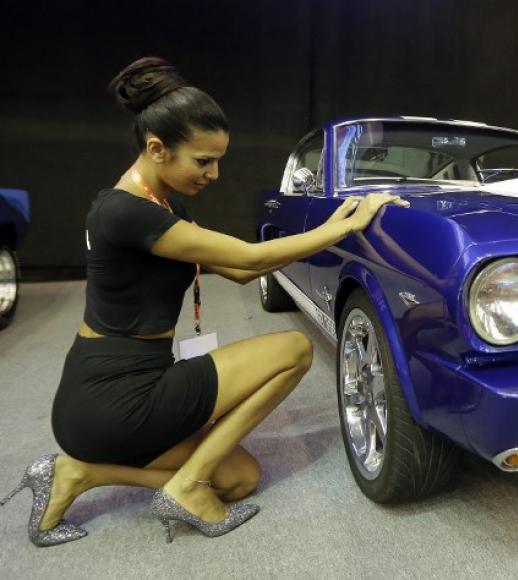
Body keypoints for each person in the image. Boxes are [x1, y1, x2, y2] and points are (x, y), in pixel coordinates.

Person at [0, 56, 406, 546]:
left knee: (239, 478)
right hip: (111, 398)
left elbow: (237, 271)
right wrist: (344, 225)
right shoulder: (126, 213)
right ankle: (183, 485)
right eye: (203, 160)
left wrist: (325, 229)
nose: (214, 173)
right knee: (294, 352)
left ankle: (77, 473)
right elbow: (251, 259)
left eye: (218, 160)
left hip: (130, 385)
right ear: (156, 148)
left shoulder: (164, 207)